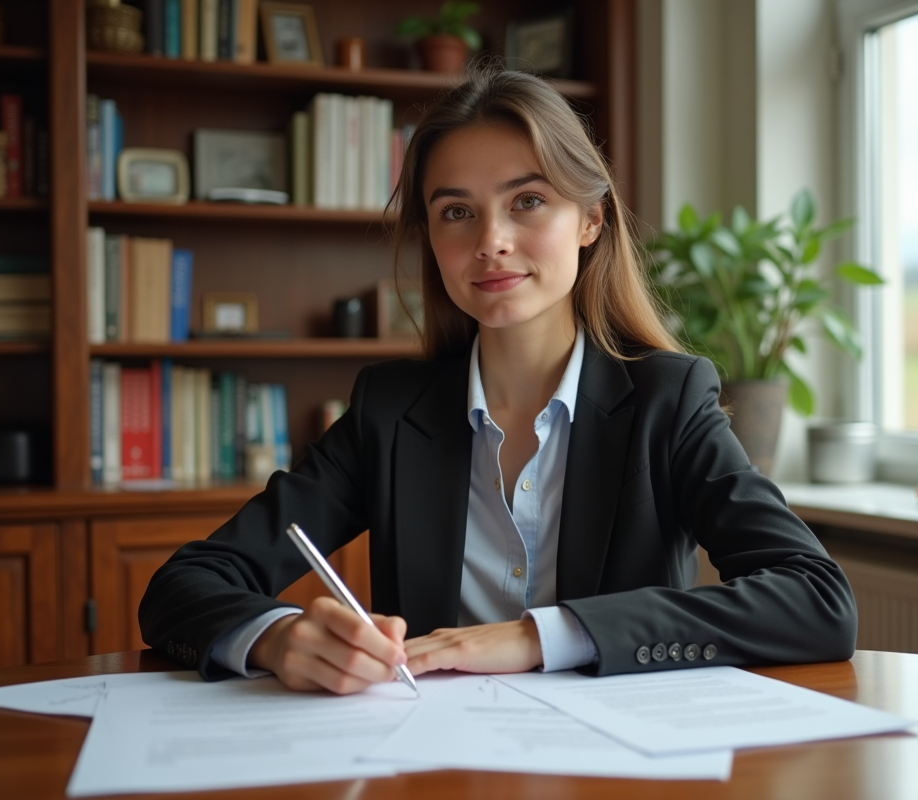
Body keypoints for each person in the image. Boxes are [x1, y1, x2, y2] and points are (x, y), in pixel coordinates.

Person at [138, 69, 856, 694]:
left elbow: (818, 601)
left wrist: (543, 636)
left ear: (591, 219)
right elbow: (181, 588)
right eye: (456, 212)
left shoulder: (668, 402)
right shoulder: (390, 414)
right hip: (432, 766)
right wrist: (276, 637)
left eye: (527, 201)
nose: (490, 241)